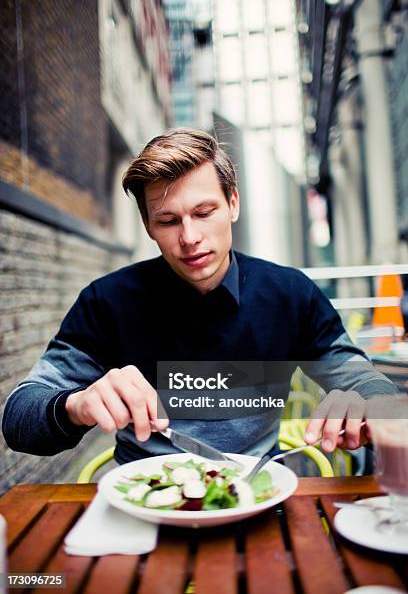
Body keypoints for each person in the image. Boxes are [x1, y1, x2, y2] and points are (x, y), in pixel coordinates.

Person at [2, 129, 397, 465]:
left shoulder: (290, 295)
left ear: (233, 205)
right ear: (148, 226)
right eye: (169, 221)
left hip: (258, 493)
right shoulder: (108, 302)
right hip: (145, 503)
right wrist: (75, 405)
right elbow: (19, 419)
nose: (189, 238)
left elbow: (361, 377)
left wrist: (369, 404)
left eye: (204, 212)